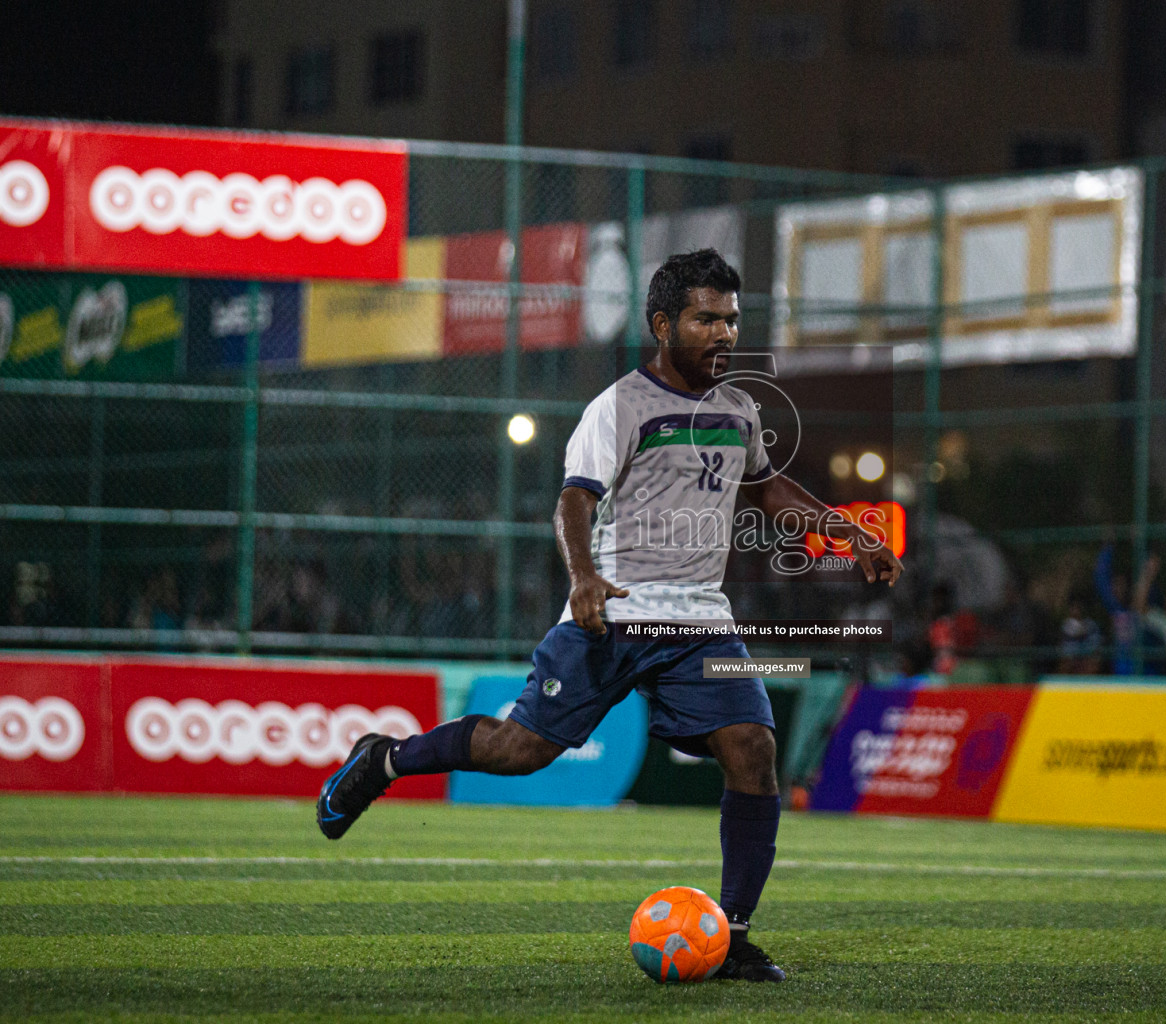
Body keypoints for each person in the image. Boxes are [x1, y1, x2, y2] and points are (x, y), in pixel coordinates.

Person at [314, 249, 902, 982]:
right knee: (519, 751)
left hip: (698, 622)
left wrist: (846, 533)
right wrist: (585, 575)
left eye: (730, 320)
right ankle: (385, 758)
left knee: (752, 749)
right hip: (614, 614)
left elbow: (767, 490)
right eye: (704, 319)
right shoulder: (618, 406)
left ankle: (732, 936)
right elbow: (574, 498)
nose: (722, 334)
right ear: (662, 324)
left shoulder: (738, 409)